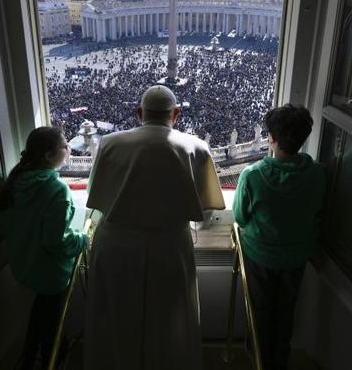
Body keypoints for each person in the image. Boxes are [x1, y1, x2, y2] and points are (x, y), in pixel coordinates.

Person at [84, 85, 225, 370]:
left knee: (116, 317)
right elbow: (206, 215)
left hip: (115, 246)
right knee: (169, 322)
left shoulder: (109, 143)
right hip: (168, 246)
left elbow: (96, 201)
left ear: (139, 113)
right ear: (176, 114)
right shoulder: (195, 147)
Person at [233, 104, 325, 370]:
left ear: (271, 138)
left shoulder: (252, 176)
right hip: (296, 257)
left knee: (260, 312)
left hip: (259, 256)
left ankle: (259, 360)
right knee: (286, 313)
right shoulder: (317, 173)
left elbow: (239, 217)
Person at [0, 127, 89, 370]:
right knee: (54, 333)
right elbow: (55, 242)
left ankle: (28, 360)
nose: (69, 150)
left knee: (40, 316)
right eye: (65, 146)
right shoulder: (56, 190)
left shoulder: (16, 180)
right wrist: (83, 239)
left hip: (25, 265)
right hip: (50, 273)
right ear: (49, 156)